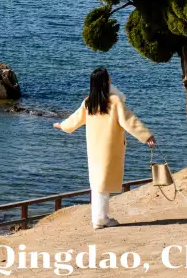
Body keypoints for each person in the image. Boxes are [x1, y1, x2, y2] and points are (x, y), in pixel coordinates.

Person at [54, 67, 156, 229]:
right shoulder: (114, 101)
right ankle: (100, 219)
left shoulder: (89, 102)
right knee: (102, 183)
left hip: (94, 148)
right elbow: (129, 120)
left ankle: (99, 218)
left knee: (97, 182)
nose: (111, 79)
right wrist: (146, 135)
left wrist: (62, 126)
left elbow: (74, 120)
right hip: (110, 147)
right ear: (105, 81)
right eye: (108, 77)